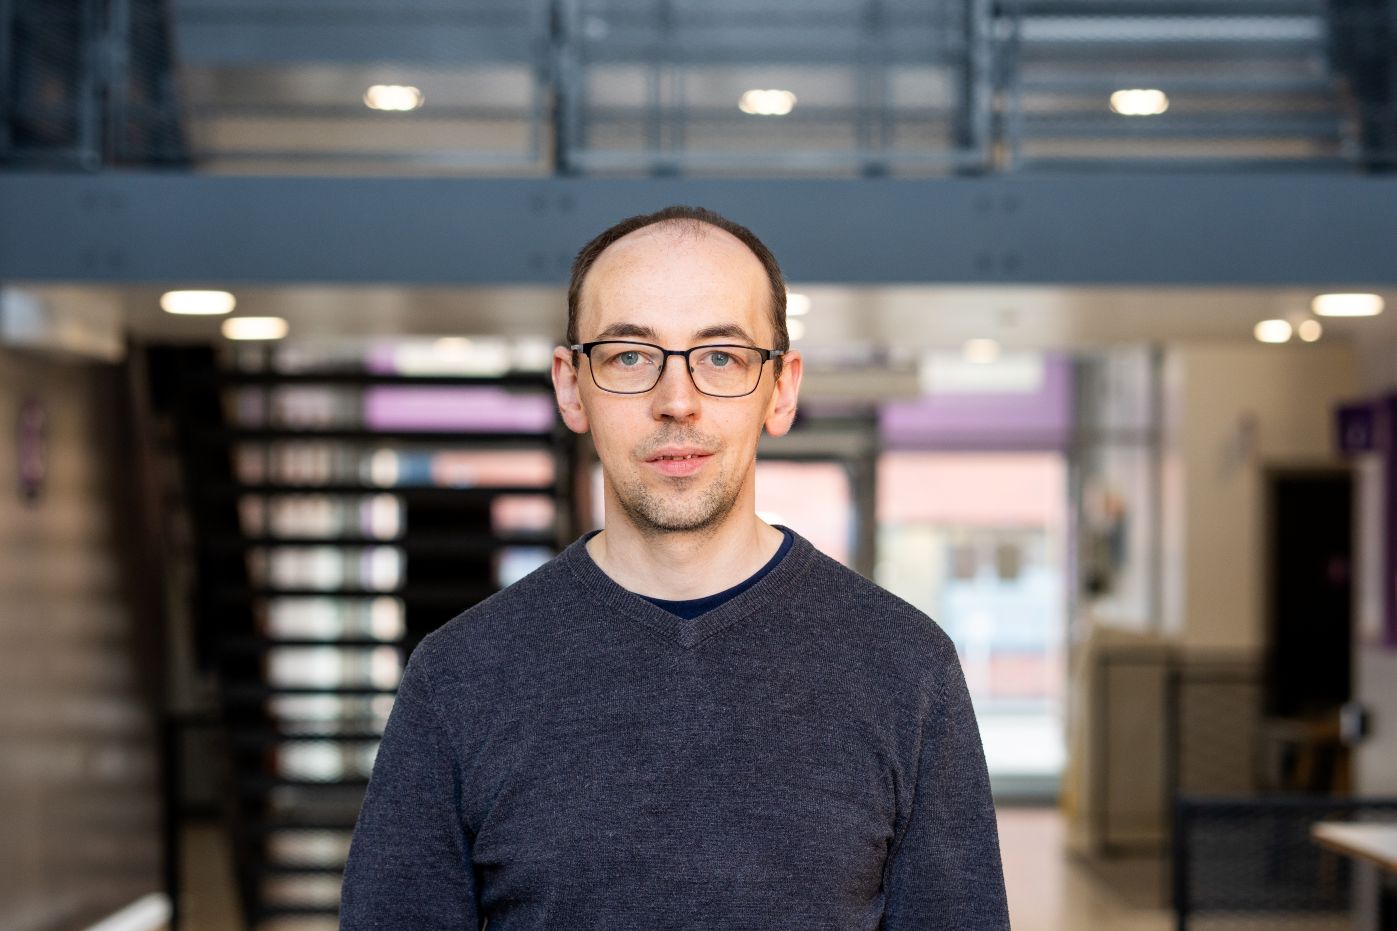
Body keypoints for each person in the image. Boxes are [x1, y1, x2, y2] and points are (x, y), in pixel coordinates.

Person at [339, 205, 1011, 929]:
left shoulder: (907, 669)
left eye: (720, 356)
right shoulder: (457, 677)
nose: (677, 402)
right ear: (572, 386)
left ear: (779, 389)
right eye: (630, 356)